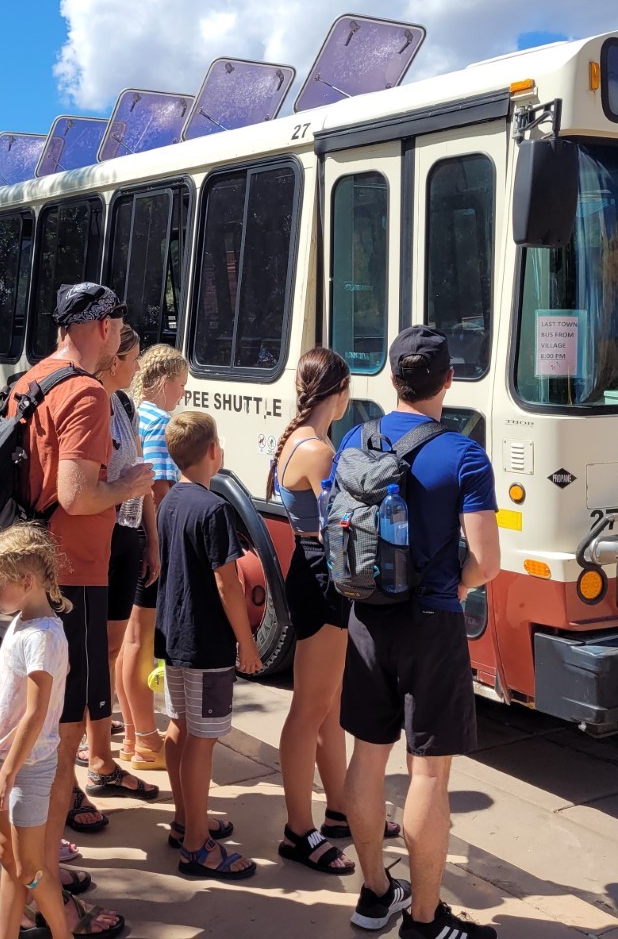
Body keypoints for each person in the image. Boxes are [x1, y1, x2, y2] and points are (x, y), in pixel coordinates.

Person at [339, 327, 500, 939]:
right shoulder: (462, 454)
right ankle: (427, 922)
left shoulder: (357, 437)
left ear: (391, 379)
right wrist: (456, 588)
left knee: (367, 759)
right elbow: (486, 560)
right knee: (428, 774)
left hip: (365, 619)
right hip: (431, 624)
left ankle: (377, 893)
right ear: (449, 382)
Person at [9, 282, 150, 939]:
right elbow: (76, 493)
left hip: (34, 573)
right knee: (59, 744)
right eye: (119, 324)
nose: (122, 336)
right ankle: (49, 903)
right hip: (75, 578)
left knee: (39, 736)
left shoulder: (33, 379)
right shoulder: (89, 393)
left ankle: (44, 874)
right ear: (102, 325)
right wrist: (129, 484)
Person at [270, 347, 374, 875]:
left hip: (308, 571)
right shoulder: (319, 450)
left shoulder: (296, 439)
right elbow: (345, 520)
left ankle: (337, 810)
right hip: (321, 579)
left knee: (328, 706)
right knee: (309, 710)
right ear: (339, 394)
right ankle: (297, 829)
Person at [155, 410, 260, 879]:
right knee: (204, 740)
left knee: (180, 727)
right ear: (213, 451)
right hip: (206, 642)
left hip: (174, 636)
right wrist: (247, 643)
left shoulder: (172, 500)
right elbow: (228, 585)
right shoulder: (214, 508)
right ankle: (198, 845)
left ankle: (186, 820)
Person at [0, 523, 76, 939]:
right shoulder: (23, 619)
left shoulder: (43, 636)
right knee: (7, 857)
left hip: (26, 768)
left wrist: (8, 773)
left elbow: (36, 716)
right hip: (4, 760)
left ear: (27, 582)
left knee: (30, 868)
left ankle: (62, 932)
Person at [83, 324, 159, 799]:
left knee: (109, 649)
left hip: (128, 536)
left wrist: (153, 540)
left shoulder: (125, 405)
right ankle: (95, 752)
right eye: (133, 360)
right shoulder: (92, 401)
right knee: (93, 653)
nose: (138, 370)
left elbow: (141, 478)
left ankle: (101, 750)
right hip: (99, 537)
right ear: (115, 361)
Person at [115, 344, 187, 772]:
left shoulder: (132, 413)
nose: (181, 394)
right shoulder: (159, 424)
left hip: (131, 538)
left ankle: (130, 735)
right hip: (148, 542)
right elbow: (156, 493)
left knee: (128, 642)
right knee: (140, 645)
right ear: (163, 382)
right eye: (180, 384)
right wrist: (159, 547)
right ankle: (144, 738)